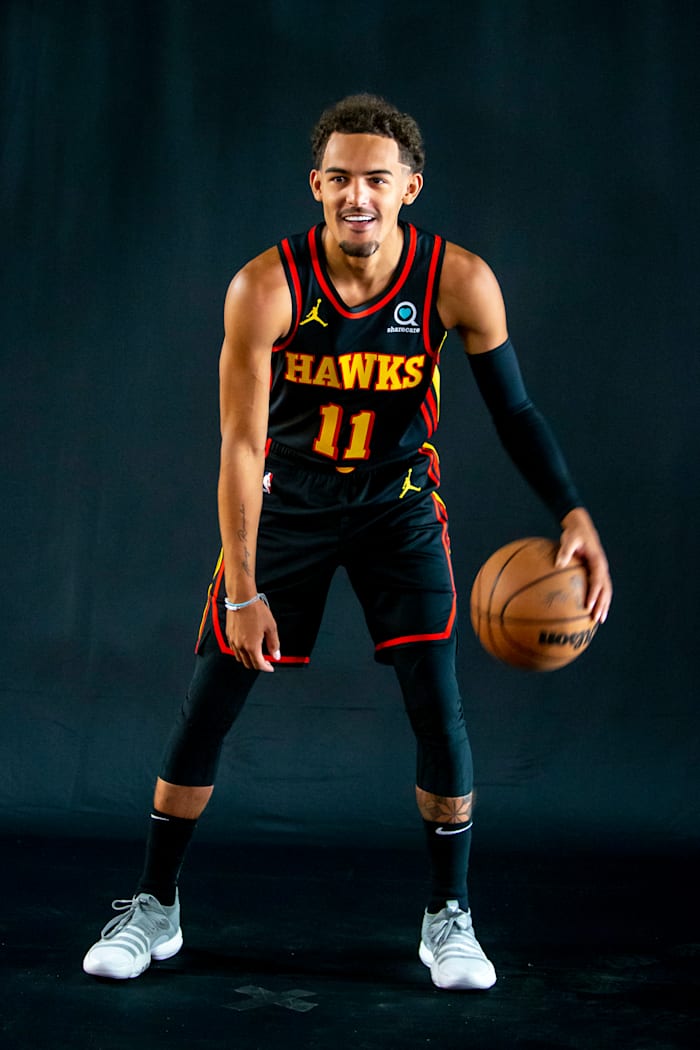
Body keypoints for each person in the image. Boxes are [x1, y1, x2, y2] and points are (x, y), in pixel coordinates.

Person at [83, 94, 612, 991]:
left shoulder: (458, 280)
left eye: (377, 178)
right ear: (317, 186)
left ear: (410, 186)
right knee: (210, 701)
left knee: (436, 708)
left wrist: (572, 511)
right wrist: (244, 592)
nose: (356, 196)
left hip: (398, 505)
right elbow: (241, 446)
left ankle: (449, 916)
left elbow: (514, 410)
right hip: (286, 503)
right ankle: (154, 905)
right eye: (340, 178)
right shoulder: (267, 285)